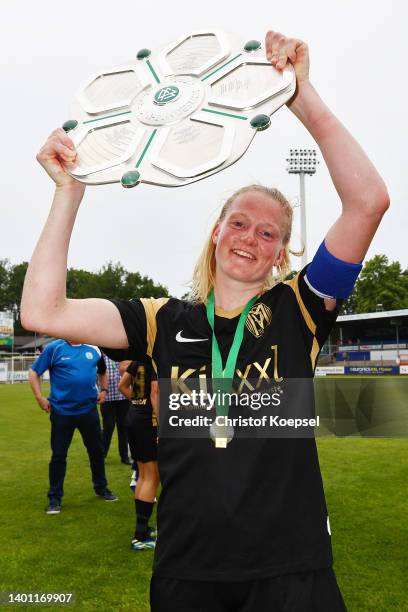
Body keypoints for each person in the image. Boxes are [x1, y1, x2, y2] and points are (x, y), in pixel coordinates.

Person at [21, 30, 389, 611]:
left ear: (281, 255)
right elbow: (44, 311)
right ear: (216, 231)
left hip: (290, 569)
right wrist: (70, 190)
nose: (251, 238)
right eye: (239, 223)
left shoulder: (299, 309)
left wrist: (300, 95)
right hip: (190, 570)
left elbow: (368, 201)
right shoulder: (161, 318)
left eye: (269, 233)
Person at [28, 340, 118, 513]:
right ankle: (54, 498)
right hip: (62, 412)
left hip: (89, 410)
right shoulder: (54, 348)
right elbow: (33, 372)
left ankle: (101, 488)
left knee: (97, 452)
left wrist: (104, 390)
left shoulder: (94, 348)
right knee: (59, 455)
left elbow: (103, 371)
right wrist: (39, 397)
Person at [118, 359, 159, 550]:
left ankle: (143, 529)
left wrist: (136, 403)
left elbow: (122, 385)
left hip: (133, 418)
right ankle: (140, 536)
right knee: (151, 478)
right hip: (147, 424)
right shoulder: (156, 359)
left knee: (143, 476)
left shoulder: (138, 360)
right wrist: (162, 427)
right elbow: (155, 393)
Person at [100, 352, 131, 464]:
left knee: (124, 428)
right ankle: (101, 455)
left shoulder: (124, 355)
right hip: (107, 398)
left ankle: (124, 457)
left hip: (123, 397)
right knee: (108, 427)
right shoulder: (101, 356)